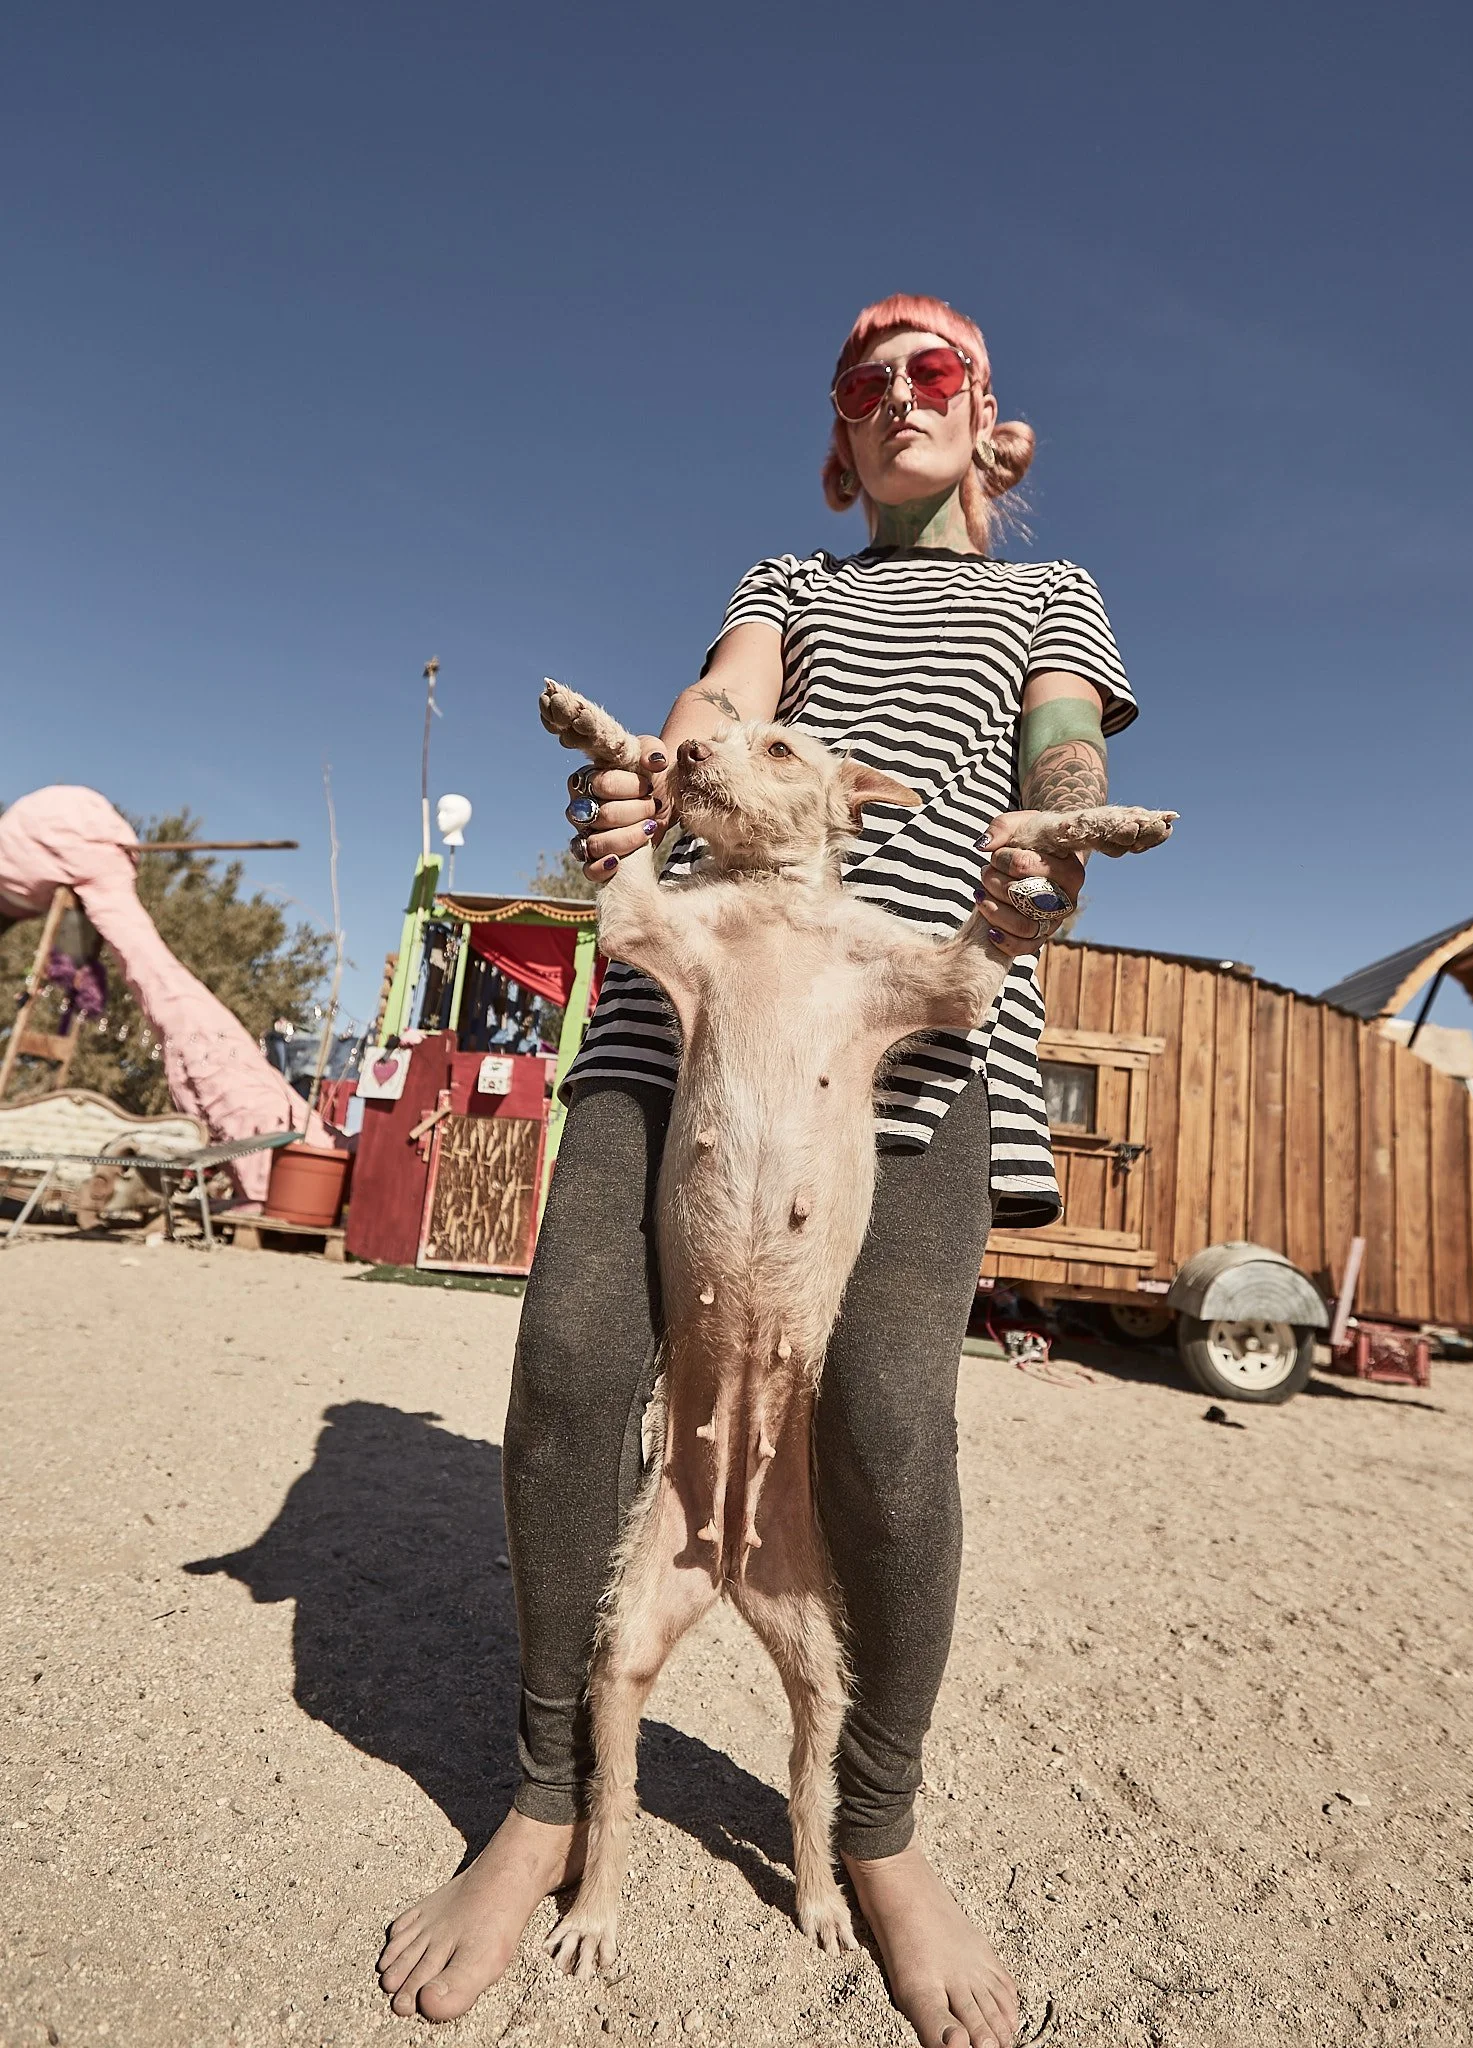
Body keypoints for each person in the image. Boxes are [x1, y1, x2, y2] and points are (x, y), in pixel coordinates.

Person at [378, 294, 1137, 2048]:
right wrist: (645, 791)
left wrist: (1051, 846)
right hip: (692, 1009)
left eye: (928, 372)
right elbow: (713, 710)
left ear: (987, 413)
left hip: (905, 1033)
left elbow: (1063, 743)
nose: (894, 401)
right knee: (570, 1366)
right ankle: (551, 1797)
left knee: (883, 1426)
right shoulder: (788, 586)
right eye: (861, 385)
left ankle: (876, 1826)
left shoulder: (1052, 594)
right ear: (835, 434)